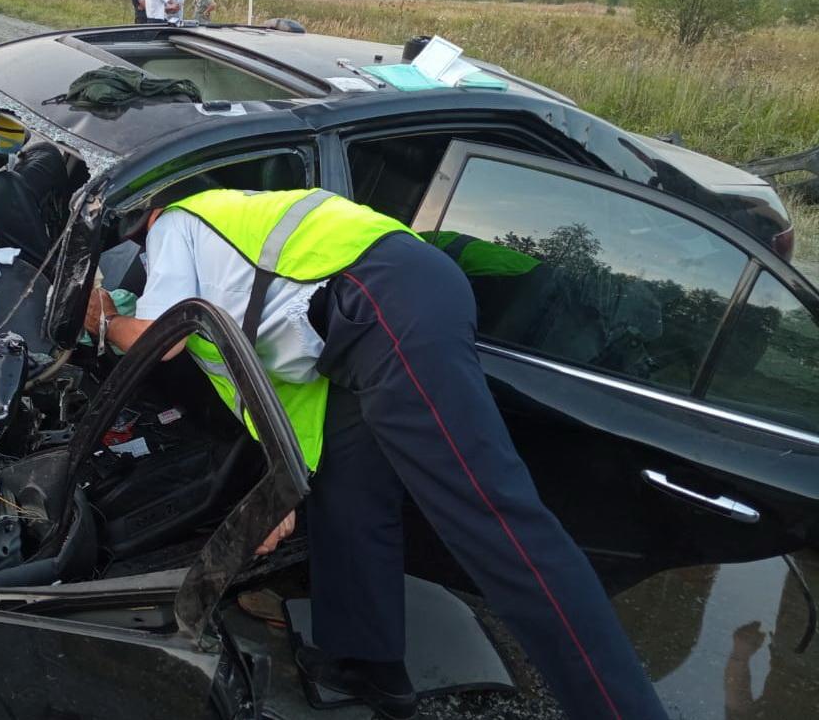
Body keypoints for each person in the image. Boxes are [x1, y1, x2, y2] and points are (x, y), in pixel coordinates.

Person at [83, 186, 668, 720]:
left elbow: (162, 338)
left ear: (141, 218)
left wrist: (103, 317)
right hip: (372, 310)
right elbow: (265, 383)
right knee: (350, 492)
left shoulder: (177, 221)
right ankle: (368, 667)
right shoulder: (231, 246)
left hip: (384, 299)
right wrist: (276, 486)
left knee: (496, 524)